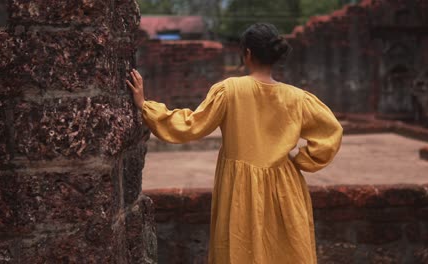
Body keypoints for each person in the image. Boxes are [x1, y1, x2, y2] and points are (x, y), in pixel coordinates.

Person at [126, 23, 343, 264]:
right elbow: (331, 132)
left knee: (240, 249)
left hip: (240, 188)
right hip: (285, 185)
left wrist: (146, 106)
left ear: (247, 53)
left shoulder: (230, 91)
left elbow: (190, 125)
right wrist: (300, 161)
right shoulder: (298, 98)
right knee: (285, 248)